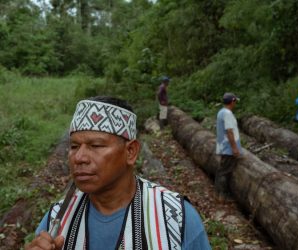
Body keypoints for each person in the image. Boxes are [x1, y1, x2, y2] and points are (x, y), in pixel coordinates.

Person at [25, 96, 211, 250]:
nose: (79, 157)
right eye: (74, 146)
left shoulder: (176, 217)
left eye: (96, 146)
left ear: (130, 152)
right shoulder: (56, 220)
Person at [215, 92, 242, 199]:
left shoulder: (221, 112)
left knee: (222, 170)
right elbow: (229, 131)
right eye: (235, 101)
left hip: (224, 146)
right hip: (228, 148)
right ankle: (221, 196)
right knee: (224, 172)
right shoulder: (227, 114)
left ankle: (219, 194)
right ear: (232, 101)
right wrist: (234, 148)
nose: (235, 104)